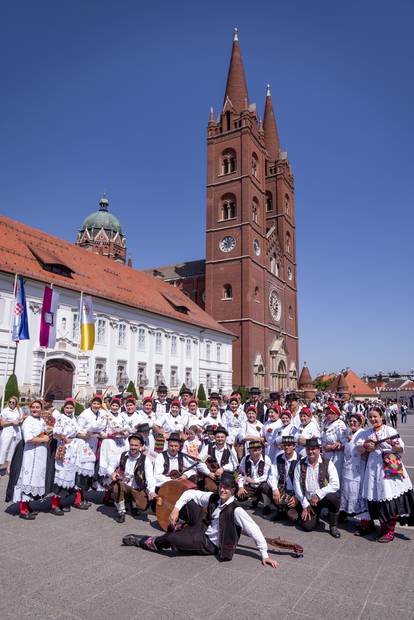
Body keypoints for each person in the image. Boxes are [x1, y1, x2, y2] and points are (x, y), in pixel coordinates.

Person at [123, 471, 278, 568]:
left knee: (171, 538)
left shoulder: (236, 511)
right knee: (189, 502)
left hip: (208, 543)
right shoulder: (215, 497)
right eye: (221, 486)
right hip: (205, 525)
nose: (223, 489)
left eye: (227, 487)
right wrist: (176, 509)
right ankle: (182, 525)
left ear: (233, 490)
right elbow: (190, 493)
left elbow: (255, 530)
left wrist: (265, 555)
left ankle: (146, 542)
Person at [357, 407, 414, 542]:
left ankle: (390, 531)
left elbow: (401, 448)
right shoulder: (367, 432)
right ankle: (383, 528)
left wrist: (391, 443)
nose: (373, 419)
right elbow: (359, 448)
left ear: (382, 417)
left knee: (389, 498)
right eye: (370, 417)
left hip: (389, 468)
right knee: (379, 498)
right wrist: (366, 447)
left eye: (375, 416)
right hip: (373, 468)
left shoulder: (390, 430)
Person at [8, 399, 51, 519]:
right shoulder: (28, 421)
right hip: (31, 454)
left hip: (40, 454)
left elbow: (43, 433)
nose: (35, 409)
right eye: (33, 407)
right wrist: (44, 439)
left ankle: (27, 506)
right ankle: (23, 509)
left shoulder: (41, 420)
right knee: (27, 479)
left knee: (34, 479)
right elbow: (28, 438)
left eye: (38, 407)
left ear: (41, 409)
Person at [293, 437, 341, 538]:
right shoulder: (300, 464)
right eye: (308, 449)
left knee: (333, 498)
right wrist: (305, 504)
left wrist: (318, 494)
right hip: (309, 500)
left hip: (323, 498)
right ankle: (315, 515)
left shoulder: (327, 463)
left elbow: (335, 484)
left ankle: (333, 526)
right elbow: (296, 485)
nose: (310, 451)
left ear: (319, 449)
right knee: (307, 527)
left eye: (313, 449)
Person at [339, 413, 372, 536]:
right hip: (348, 469)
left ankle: (366, 525)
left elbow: (365, 450)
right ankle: (346, 515)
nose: (352, 423)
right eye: (351, 421)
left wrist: (364, 447)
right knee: (348, 494)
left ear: (361, 423)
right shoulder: (349, 434)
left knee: (359, 497)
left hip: (358, 471)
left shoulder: (363, 434)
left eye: (355, 421)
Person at [112, 434, 156, 523]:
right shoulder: (122, 456)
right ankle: (121, 512)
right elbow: (109, 466)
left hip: (137, 489)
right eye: (131, 445)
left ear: (141, 446)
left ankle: (133, 504)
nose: (133, 447)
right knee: (117, 486)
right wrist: (112, 473)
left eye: (136, 445)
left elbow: (150, 477)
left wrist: (151, 491)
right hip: (124, 485)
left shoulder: (146, 460)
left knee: (143, 507)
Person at [74, 395, 105, 510]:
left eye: (98, 404)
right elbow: (78, 431)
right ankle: (77, 499)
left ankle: (82, 496)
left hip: (94, 445)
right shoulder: (84, 415)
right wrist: (89, 434)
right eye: (94, 403)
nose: (96, 406)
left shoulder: (100, 414)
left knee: (88, 473)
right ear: (91, 404)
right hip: (84, 445)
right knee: (82, 472)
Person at [51, 397, 79, 515]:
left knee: (69, 475)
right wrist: (63, 437)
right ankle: (54, 504)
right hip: (63, 448)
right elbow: (55, 432)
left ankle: (64, 501)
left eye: (71, 407)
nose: (69, 409)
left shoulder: (74, 418)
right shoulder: (61, 418)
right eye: (67, 407)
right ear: (64, 408)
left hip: (72, 449)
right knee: (60, 475)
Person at [268, 436, 299, 522]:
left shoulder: (300, 459)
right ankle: (281, 510)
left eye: (289, 445)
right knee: (266, 487)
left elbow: (303, 482)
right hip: (283, 488)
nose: (287, 447)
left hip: (295, 492)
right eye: (285, 445)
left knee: (293, 518)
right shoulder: (279, 457)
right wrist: (275, 489)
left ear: (294, 446)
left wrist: (297, 496)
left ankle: (290, 509)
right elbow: (272, 474)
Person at [237, 440, 272, 515]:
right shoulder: (245, 459)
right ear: (249, 451)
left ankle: (266, 505)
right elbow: (240, 474)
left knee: (265, 486)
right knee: (239, 496)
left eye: (257, 450)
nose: (255, 453)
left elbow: (267, 476)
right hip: (250, 485)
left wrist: (254, 481)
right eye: (253, 450)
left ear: (261, 450)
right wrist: (240, 487)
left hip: (261, 484)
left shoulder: (266, 459)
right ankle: (255, 499)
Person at [320, 404, 346, 477]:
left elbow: (344, 443)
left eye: (331, 413)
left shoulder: (340, 424)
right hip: (325, 454)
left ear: (336, 414)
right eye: (327, 413)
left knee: (334, 476)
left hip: (336, 456)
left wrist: (332, 447)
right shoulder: (326, 422)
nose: (328, 415)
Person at [0, 395, 24, 474]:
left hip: (16, 432)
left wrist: (20, 421)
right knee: (3, 450)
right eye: (10, 402)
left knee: (12, 450)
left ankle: (8, 468)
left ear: (16, 403)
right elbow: (2, 423)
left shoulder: (19, 410)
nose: (11, 403)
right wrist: (12, 422)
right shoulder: (5, 411)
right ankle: (0, 468)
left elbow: (22, 418)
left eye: (13, 402)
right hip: (7, 431)